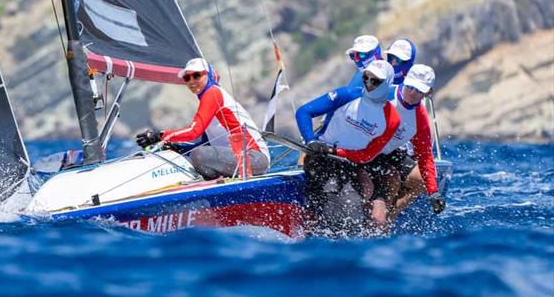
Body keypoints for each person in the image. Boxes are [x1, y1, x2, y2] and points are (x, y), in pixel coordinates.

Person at [295, 59, 399, 228]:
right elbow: (304, 112)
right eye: (366, 78)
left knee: (356, 204)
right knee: (333, 204)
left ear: (387, 84)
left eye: (375, 81)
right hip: (322, 157)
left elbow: (367, 155)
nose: (368, 84)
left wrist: (336, 152)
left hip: (351, 162)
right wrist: (311, 140)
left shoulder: (392, 119)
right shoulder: (347, 95)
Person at [135, 58, 270, 180]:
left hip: (254, 158)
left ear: (208, 75)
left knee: (198, 156)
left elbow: (194, 131)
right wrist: (178, 147)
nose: (192, 81)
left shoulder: (213, 93)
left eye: (196, 75)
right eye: (187, 78)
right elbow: (206, 144)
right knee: (196, 154)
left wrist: (160, 136)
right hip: (239, 159)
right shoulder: (209, 99)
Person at [365, 64, 445, 219]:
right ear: (404, 81)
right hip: (364, 152)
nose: (412, 93)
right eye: (410, 87)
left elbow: (425, 156)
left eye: (419, 90)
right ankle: (377, 217)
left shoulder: (420, 118)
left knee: (423, 179)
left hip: (389, 154)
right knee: (392, 178)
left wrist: (433, 192)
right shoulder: (383, 95)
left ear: (428, 92)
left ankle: (389, 216)